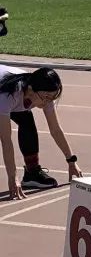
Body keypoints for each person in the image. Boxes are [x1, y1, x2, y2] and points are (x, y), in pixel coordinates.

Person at [1, 65, 82, 198]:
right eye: (46, 97)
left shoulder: (43, 92)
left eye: (52, 98)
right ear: (31, 90)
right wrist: (12, 177)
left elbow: (55, 129)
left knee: (27, 120)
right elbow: (6, 140)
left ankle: (32, 173)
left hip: (14, 98)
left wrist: (71, 161)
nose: (48, 102)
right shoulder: (8, 95)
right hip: (3, 95)